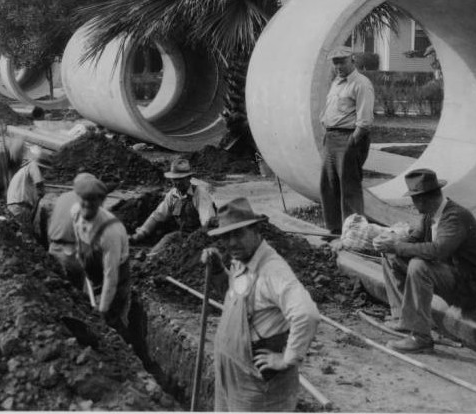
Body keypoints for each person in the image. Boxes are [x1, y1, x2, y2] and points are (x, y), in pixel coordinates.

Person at [202, 197, 320, 412]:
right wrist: (219, 271)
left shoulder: (272, 270)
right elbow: (236, 301)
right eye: (226, 236)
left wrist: (287, 358)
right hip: (232, 373)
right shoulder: (241, 260)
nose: (231, 243)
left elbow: (307, 314)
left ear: (256, 230)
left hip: (256, 384)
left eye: (238, 234)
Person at [373, 169, 476, 353]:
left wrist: (397, 246)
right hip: (455, 276)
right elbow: (414, 240)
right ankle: (403, 318)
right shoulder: (429, 216)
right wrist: (391, 244)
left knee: (419, 266)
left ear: (422, 199)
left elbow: (438, 251)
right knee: (392, 256)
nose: (413, 204)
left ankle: (420, 337)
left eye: (414, 200)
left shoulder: (454, 217)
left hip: (474, 286)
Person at [319, 45, 375, 236]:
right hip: (331, 137)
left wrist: (353, 142)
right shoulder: (336, 82)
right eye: (335, 63)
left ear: (353, 60)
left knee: (349, 188)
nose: (339, 66)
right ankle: (334, 230)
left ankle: (354, 235)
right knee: (328, 185)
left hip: (348, 138)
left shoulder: (361, 83)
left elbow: (365, 121)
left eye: (342, 61)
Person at [70, 173, 131, 335]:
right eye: (83, 201)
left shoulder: (110, 232)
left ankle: (122, 347)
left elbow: (111, 278)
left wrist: (101, 311)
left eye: (92, 204)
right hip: (93, 274)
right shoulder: (76, 212)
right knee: (86, 308)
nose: (86, 207)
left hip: (115, 280)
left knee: (111, 320)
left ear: (101, 202)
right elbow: (79, 238)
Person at [129, 158, 216, 253]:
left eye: (181, 179)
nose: (177, 183)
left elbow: (208, 222)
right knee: (161, 246)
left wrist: (197, 241)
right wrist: (141, 234)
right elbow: (157, 216)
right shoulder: (173, 194)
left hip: (199, 237)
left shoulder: (200, 194)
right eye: (175, 179)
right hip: (182, 234)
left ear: (189, 178)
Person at [6, 145, 50, 234]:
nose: (44, 173)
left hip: (13, 205)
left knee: (16, 232)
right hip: (20, 206)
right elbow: (39, 183)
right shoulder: (33, 165)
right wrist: (43, 194)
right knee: (26, 234)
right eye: (44, 170)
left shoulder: (23, 170)